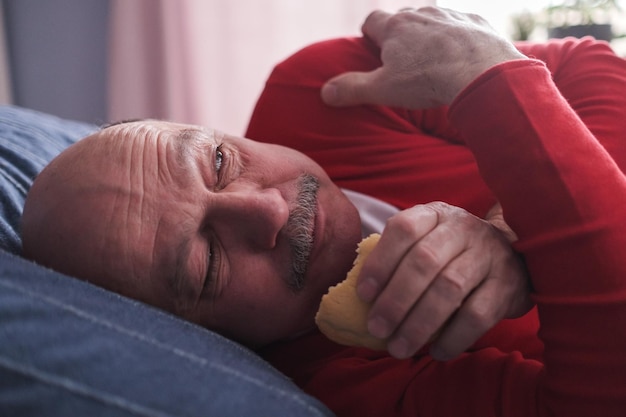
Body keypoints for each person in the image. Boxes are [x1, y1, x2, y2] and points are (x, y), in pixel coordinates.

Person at [21, 6, 626, 416]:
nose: (265, 210)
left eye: (220, 163)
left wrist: (509, 234)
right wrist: (487, 77)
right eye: (206, 262)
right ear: (191, 332)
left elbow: (590, 67)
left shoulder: (316, 90)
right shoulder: (349, 384)